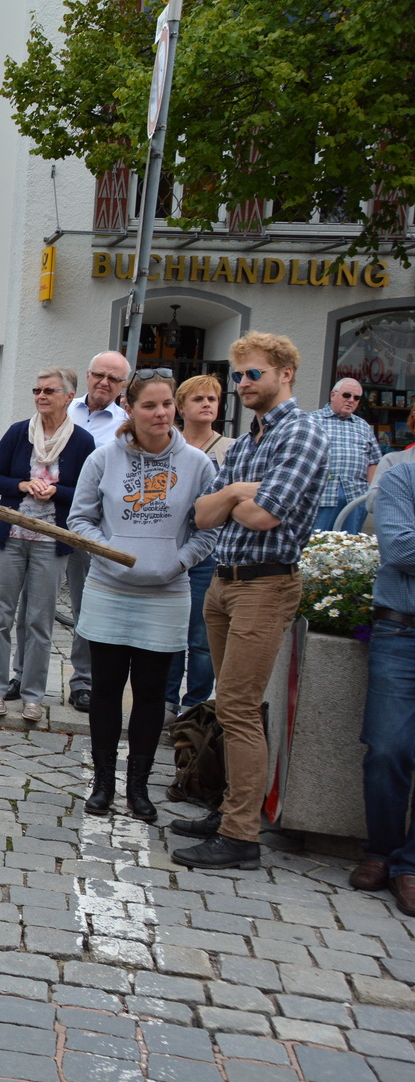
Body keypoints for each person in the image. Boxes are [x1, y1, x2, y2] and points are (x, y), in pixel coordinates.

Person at [175, 331, 327, 870]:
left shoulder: (303, 433)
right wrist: (239, 491)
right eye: (238, 375)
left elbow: (265, 516)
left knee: (238, 706)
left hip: (266, 584)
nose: (242, 384)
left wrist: (237, 496)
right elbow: (203, 514)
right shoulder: (246, 443)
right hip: (225, 581)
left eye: (253, 374)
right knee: (230, 701)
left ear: (285, 374)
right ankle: (227, 807)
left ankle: (241, 835)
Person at [67, 372, 220, 823]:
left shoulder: (197, 464)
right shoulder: (103, 458)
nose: (161, 413)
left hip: (167, 593)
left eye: (168, 405)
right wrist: (111, 555)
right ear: (130, 409)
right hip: (109, 590)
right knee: (107, 691)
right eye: (150, 406)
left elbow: (207, 530)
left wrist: (178, 562)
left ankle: (138, 788)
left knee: (152, 695)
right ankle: (102, 785)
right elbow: (80, 520)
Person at [0, 368, 95, 723]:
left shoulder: (82, 442)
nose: (41, 396)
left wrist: (56, 492)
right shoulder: (19, 433)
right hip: (10, 537)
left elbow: (89, 493)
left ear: (68, 397)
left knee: (39, 621)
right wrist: (22, 486)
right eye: (37, 389)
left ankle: (33, 695)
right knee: (1, 615)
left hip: (51, 541)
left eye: (49, 390)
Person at [355, 459, 415, 917]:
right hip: (401, 632)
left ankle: (408, 865)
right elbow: (399, 549)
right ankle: (381, 849)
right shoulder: (402, 477)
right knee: (387, 749)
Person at [62, 350, 131, 711]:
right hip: (47, 520)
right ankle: (24, 676)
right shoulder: (61, 408)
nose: (104, 382)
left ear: (123, 386)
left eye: (114, 379)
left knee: (85, 606)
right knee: (32, 604)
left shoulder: (124, 427)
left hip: (91, 527)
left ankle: (83, 681)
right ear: (87, 375)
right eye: (99, 375)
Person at [164, 375, 235, 720]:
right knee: (171, 629)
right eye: (199, 399)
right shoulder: (167, 445)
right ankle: (166, 699)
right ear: (181, 407)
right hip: (170, 547)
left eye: (212, 399)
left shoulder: (230, 449)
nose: (207, 404)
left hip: (209, 551)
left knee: (201, 635)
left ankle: (195, 703)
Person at [311, 377, 380, 534]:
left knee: (348, 549)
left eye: (356, 398)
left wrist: (371, 491)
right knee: (316, 545)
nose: (351, 400)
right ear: (333, 395)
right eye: (346, 395)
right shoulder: (311, 421)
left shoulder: (363, 426)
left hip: (355, 498)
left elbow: (374, 461)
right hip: (321, 495)